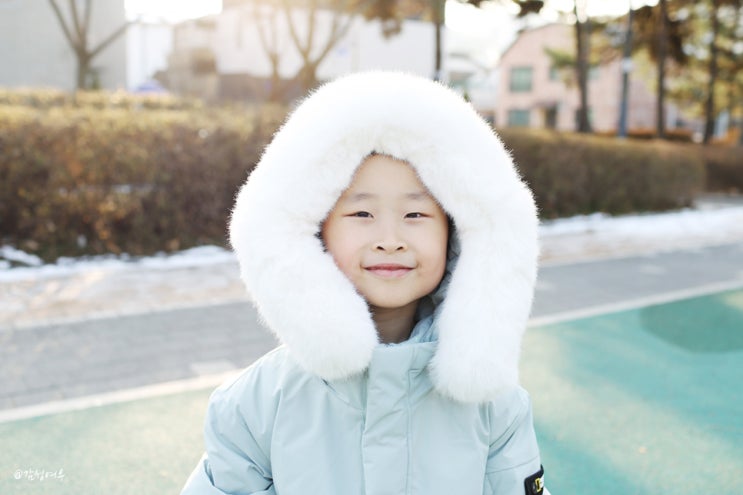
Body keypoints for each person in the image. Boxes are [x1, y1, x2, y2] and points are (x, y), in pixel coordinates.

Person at [181, 71, 549, 495]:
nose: (390, 240)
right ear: (315, 230)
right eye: (361, 214)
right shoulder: (255, 405)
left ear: (457, 234)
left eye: (416, 215)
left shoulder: (495, 407)